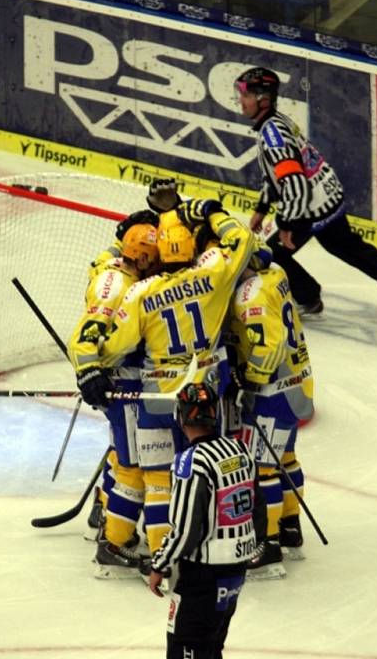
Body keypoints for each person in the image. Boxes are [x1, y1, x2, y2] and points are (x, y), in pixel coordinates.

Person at [99, 199, 258, 561]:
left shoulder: (141, 293)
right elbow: (244, 239)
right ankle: (204, 540)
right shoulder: (211, 274)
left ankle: (158, 557)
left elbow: (115, 347)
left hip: (155, 398)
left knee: (157, 481)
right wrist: (212, 212)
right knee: (201, 470)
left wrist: (96, 369)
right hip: (198, 396)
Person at [234, 66, 377, 316]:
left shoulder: (273, 136)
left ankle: (309, 297)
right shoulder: (277, 123)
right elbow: (279, 176)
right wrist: (262, 207)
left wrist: (287, 223)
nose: (241, 101)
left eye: (246, 96)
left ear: (264, 99)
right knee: (346, 246)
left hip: (308, 206)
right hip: (327, 197)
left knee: (268, 254)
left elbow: (294, 182)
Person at [148, 382, 266, 659]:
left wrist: (159, 564)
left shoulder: (190, 463)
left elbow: (185, 530)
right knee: (209, 651)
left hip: (202, 578)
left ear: (182, 420)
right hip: (235, 572)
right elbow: (260, 505)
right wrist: (255, 546)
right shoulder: (239, 451)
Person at [68, 218, 161, 577]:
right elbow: (86, 335)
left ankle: (109, 520)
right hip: (123, 381)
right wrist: (89, 371)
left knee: (125, 457)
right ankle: (114, 543)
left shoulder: (121, 268)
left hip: (130, 382)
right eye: (150, 258)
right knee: (132, 465)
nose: (156, 265)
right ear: (137, 257)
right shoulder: (115, 286)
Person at [228, 259, 313, 573]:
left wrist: (250, 378)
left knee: (262, 468)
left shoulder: (248, 297)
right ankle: (291, 526)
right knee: (286, 458)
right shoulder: (275, 272)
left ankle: (269, 543)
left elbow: (270, 345)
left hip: (272, 390)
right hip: (297, 378)